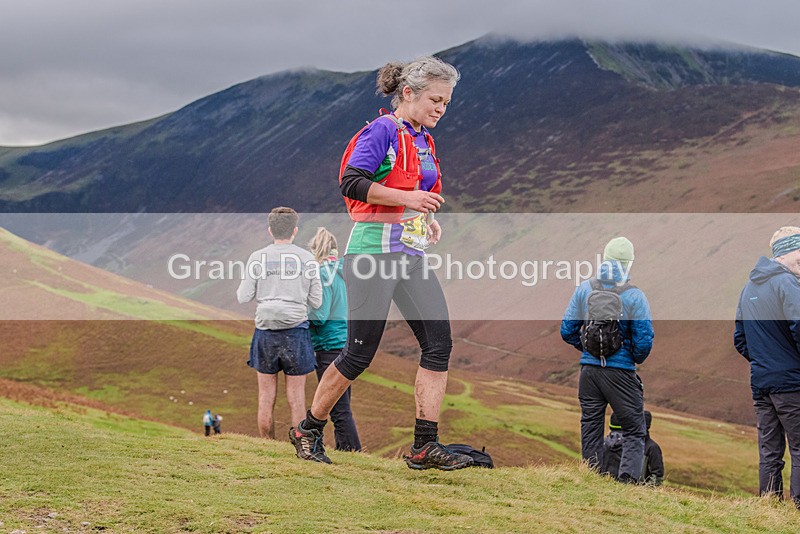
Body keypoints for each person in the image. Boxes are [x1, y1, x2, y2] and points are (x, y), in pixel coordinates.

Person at [290, 56, 474, 470]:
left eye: (446, 102)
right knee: (358, 355)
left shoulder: (424, 139)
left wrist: (425, 219)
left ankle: (424, 445)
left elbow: (415, 189)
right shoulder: (382, 130)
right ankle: (308, 428)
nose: (441, 109)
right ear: (407, 93)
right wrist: (409, 200)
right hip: (372, 254)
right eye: (435, 99)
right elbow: (352, 182)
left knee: (439, 344)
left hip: (410, 255)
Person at [561, 237, 654, 483]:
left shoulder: (584, 288)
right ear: (628, 263)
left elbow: (567, 329)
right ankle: (628, 483)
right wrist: (630, 358)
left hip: (589, 373)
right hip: (621, 373)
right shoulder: (635, 296)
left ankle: (592, 479)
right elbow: (644, 339)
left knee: (591, 424)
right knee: (635, 429)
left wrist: (586, 350)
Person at [237, 207, 322, 439]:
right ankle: (300, 445)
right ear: (295, 230)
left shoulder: (257, 257)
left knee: (265, 397)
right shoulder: (307, 259)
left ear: (270, 230)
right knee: (296, 398)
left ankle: (267, 446)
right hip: (296, 331)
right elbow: (316, 300)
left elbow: (243, 296)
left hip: (265, 331)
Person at [734, 226, 800, 507]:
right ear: (785, 253)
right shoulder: (788, 284)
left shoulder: (748, 287)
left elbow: (740, 339)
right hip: (791, 383)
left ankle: (768, 508)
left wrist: (765, 362)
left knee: (770, 450)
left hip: (762, 383)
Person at [307, 227, 362, 452]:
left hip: (328, 344)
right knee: (342, 404)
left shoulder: (322, 274)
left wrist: (301, 315)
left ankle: (351, 451)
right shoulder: (347, 273)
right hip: (346, 343)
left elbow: (321, 315)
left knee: (337, 408)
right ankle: (348, 450)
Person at [603, 411, 664, 486]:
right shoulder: (624, 443)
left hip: (635, 491)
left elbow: (657, 476)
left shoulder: (652, 448)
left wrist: (642, 490)